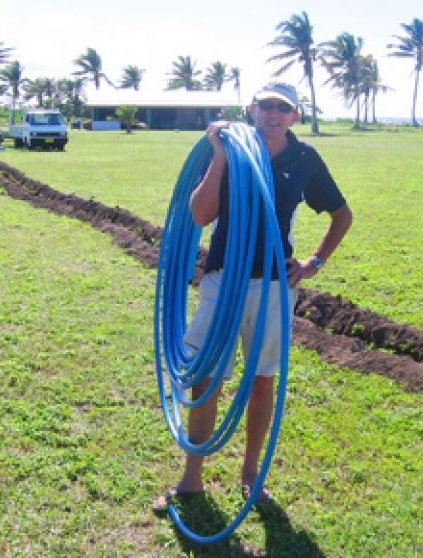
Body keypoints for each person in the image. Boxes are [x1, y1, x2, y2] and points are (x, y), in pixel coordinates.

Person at [154, 82, 353, 510]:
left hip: (274, 287)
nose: (274, 114)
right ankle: (192, 480)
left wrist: (313, 263)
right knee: (205, 376)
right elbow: (200, 214)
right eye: (266, 106)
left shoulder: (304, 160)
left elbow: (342, 215)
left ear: (294, 116)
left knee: (262, 381)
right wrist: (221, 156)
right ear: (252, 108)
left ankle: (251, 475)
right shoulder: (229, 149)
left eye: (284, 108)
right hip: (224, 280)